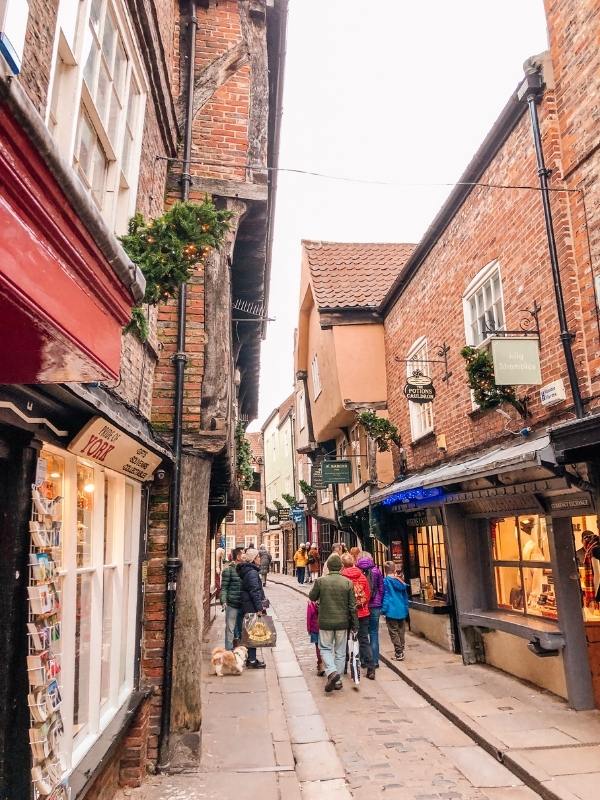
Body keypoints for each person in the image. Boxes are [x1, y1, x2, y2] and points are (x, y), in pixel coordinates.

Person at [309, 554, 358, 692]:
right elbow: (352, 606)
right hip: (343, 622)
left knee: (325, 648)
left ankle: (331, 672)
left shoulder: (320, 581)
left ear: (328, 567)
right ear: (340, 567)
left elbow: (312, 596)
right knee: (341, 652)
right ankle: (338, 680)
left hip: (325, 622)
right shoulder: (347, 582)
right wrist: (355, 624)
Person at [341, 552, 375, 680]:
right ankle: (371, 668)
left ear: (343, 565)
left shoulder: (343, 578)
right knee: (364, 640)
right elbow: (368, 594)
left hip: (347, 614)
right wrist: (361, 604)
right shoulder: (362, 577)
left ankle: (344, 666)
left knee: (344, 640)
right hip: (363, 612)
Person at [238, 548, 268, 668]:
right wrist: (259, 608)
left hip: (248, 605)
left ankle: (251, 658)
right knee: (253, 633)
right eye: (258, 557)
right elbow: (254, 591)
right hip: (251, 606)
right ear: (253, 559)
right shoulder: (252, 573)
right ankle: (251, 660)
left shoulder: (250, 571)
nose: (260, 559)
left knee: (251, 632)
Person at [356, 552, 384, 668]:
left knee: (362, 634)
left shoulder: (357, 571)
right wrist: (379, 602)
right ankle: (375, 661)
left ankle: (364, 661)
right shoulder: (376, 570)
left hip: (363, 606)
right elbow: (381, 589)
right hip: (375, 606)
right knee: (374, 633)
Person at [381, 561, 410, 661]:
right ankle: (402, 649)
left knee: (393, 632)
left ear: (385, 571)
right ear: (394, 570)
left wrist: (383, 610)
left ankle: (398, 652)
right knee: (401, 631)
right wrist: (406, 608)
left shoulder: (386, 581)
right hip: (401, 610)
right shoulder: (400, 581)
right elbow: (405, 597)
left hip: (391, 610)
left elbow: (386, 597)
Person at [220, 547, 243, 650]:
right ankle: (228, 652)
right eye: (242, 554)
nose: (244, 555)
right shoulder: (228, 570)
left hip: (243, 605)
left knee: (242, 630)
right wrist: (223, 601)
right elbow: (224, 588)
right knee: (230, 630)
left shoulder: (244, 569)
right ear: (238, 556)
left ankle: (241, 652)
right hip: (232, 604)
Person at [306, 599, 324, 675]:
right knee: (326, 647)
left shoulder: (311, 604)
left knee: (318, 647)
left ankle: (320, 664)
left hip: (315, 628)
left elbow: (308, 617)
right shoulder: (325, 600)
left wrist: (309, 629)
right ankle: (324, 664)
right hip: (324, 627)